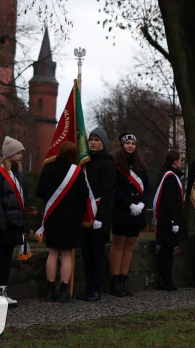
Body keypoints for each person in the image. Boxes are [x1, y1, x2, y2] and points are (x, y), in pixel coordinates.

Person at [36, 141, 89, 302]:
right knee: (66, 254)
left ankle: (50, 291)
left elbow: (40, 192)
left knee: (52, 253)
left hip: (52, 217)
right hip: (71, 218)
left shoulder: (48, 168)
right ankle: (64, 291)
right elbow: (84, 194)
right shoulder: (77, 171)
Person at [0, 136, 28, 305]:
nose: (21, 155)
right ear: (10, 153)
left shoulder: (15, 173)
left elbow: (21, 199)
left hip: (13, 222)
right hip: (2, 223)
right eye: (18, 152)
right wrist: (0, 222)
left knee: (7, 258)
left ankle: (3, 291)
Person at [108, 133, 149, 297]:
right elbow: (115, 188)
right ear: (122, 145)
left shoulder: (140, 165)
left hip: (137, 212)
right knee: (118, 245)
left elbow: (147, 188)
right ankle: (115, 281)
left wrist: (141, 204)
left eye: (133, 143)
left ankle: (123, 280)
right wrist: (130, 204)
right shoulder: (115, 164)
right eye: (128, 143)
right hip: (122, 210)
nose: (131, 146)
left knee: (130, 246)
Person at [81, 127, 116, 302]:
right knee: (87, 254)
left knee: (97, 254)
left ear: (103, 142)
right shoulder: (85, 162)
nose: (93, 143)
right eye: (91, 140)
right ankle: (88, 287)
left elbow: (108, 192)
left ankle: (96, 289)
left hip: (99, 217)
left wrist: (100, 218)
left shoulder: (108, 163)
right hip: (86, 216)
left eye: (97, 140)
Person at [153, 150, 185, 291]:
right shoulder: (171, 177)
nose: (181, 162)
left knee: (168, 252)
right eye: (180, 160)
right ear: (175, 161)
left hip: (168, 221)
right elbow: (171, 201)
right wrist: (174, 222)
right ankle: (165, 281)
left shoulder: (171, 176)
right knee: (166, 253)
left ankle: (166, 281)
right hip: (168, 222)